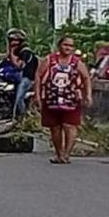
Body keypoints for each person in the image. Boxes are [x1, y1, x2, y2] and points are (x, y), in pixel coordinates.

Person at [35, 36, 92, 164]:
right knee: (55, 127)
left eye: (71, 46)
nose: (68, 48)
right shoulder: (50, 60)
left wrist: (88, 95)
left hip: (71, 100)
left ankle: (66, 154)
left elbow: (86, 77)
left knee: (69, 126)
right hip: (51, 99)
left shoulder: (77, 62)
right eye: (65, 45)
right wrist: (37, 96)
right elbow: (38, 76)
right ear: (59, 46)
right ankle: (59, 153)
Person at [6, 29, 39, 119]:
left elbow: (19, 65)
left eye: (16, 41)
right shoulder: (20, 52)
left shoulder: (26, 52)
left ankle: (22, 118)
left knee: (19, 99)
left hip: (26, 79)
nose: (13, 43)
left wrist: (12, 52)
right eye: (12, 41)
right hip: (20, 78)